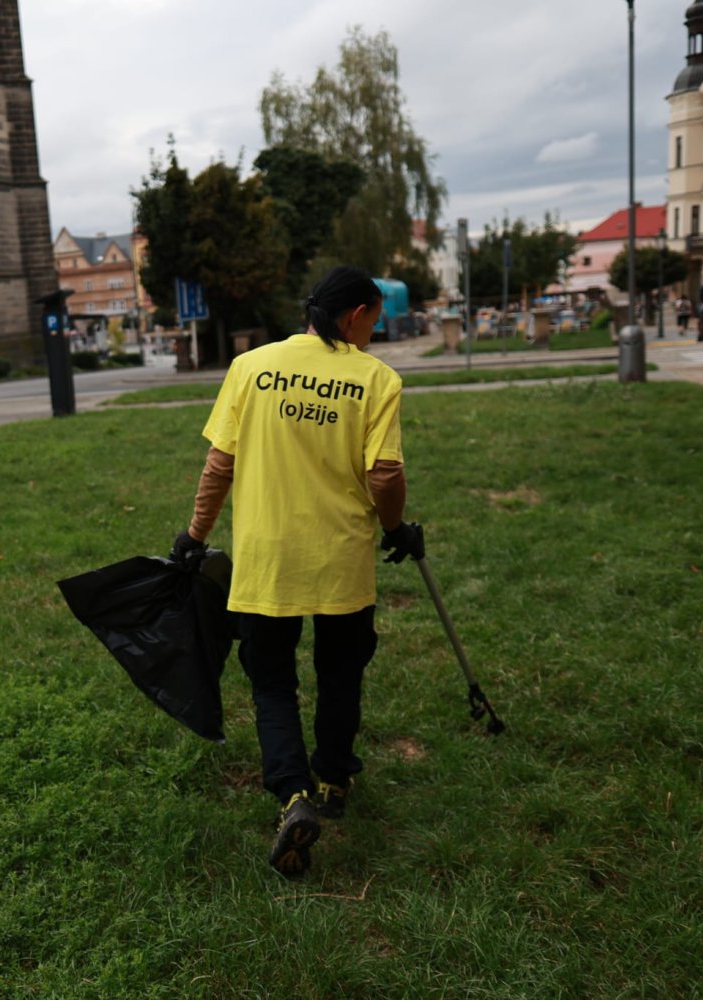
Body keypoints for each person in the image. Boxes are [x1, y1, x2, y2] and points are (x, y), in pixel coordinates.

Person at [168, 266, 423, 880]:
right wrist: (396, 530)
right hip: (340, 560)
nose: (374, 332)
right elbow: (385, 474)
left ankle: (292, 793)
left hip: (268, 561)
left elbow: (219, 464)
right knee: (340, 672)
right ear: (354, 315)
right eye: (374, 320)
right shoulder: (376, 379)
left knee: (272, 682)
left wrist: (194, 535)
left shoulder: (251, 368)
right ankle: (332, 780)